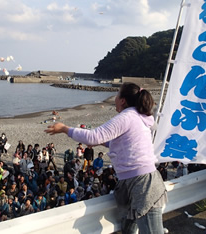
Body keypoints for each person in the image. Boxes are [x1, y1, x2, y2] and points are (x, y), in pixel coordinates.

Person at [45, 82, 167, 234]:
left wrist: (65, 129)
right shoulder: (136, 116)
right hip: (133, 181)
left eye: (117, 95)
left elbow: (94, 137)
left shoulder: (127, 116)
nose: (115, 98)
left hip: (143, 185)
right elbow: (121, 143)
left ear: (122, 100)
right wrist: (98, 141)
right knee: (129, 230)